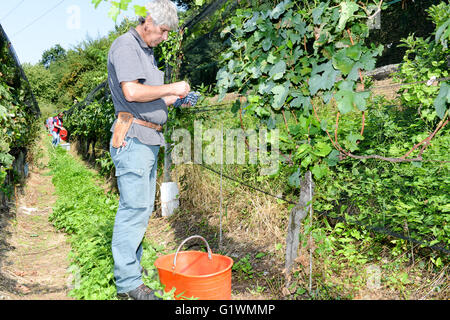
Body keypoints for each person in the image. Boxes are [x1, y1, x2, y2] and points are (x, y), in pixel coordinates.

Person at [107, 0, 190, 300]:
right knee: (135, 209)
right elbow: (131, 92)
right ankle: (128, 284)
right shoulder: (126, 46)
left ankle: (131, 272)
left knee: (140, 208)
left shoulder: (146, 53)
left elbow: (147, 100)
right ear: (150, 21)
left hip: (147, 138)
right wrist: (172, 87)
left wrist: (176, 99)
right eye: (164, 31)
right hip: (134, 139)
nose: (164, 37)